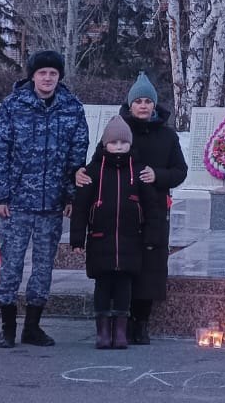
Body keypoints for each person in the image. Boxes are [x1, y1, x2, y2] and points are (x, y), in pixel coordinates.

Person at [0, 49, 89, 348]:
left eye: (53, 74)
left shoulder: (71, 108)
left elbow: (77, 155)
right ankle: (7, 327)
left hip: (52, 202)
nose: (47, 79)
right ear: (32, 76)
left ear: (59, 77)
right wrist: (0, 195)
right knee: (11, 265)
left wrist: (72, 195)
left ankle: (33, 326)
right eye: (42, 73)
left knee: (44, 267)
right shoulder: (13, 106)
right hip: (17, 202)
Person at [76, 74, 187, 344]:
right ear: (130, 104)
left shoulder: (167, 136)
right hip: (119, 214)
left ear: (155, 105)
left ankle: (142, 323)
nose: (143, 106)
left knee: (151, 268)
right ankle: (117, 322)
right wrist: (78, 175)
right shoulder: (119, 130)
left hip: (154, 211)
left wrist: (157, 175)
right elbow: (97, 164)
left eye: (148, 101)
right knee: (123, 267)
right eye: (138, 101)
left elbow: (180, 171)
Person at [70, 115, 146, 349]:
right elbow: (81, 208)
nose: (119, 147)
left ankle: (120, 330)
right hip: (100, 240)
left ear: (130, 144)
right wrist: (77, 239)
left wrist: (150, 235)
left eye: (123, 143)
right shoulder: (92, 171)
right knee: (102, 285)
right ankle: (103, 331)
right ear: (105, 144)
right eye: (114, 143)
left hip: (129, 240)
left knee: (124, 285)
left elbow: (150, 206)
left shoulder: (138, 170)